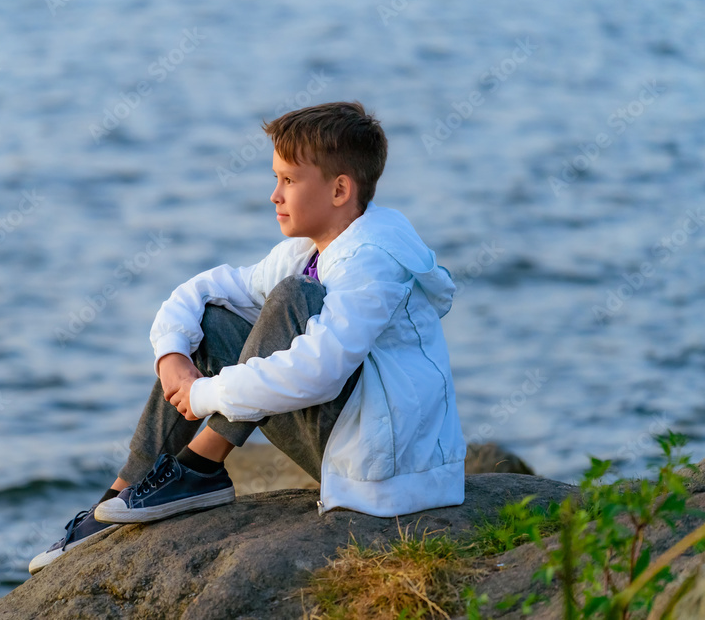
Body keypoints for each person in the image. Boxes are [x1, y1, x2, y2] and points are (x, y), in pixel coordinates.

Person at [29, 101, 467, 574]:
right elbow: (206, 289)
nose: (274, 195)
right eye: (276, 178)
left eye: (289, 180)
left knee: (290, 299)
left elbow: (320, 372)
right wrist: (172, 354)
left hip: (389, 468)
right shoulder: (307, 250)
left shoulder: (372, 261)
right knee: (215, 319)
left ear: (340, 189)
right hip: (344, 436)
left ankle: (200, 468)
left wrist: (205, 393)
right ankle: (119, 497)